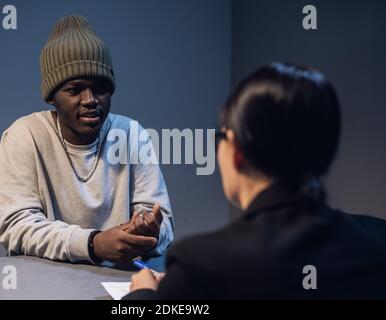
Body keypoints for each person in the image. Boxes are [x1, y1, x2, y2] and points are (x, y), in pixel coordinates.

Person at [125, 62, 386, 299]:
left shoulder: (201, 263)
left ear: (237, 152)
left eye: (222, 137)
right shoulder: (375, 243)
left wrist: (144, 294)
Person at [0, 15, 173, 265]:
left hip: (118, 281)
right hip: (42, 281)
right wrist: (93, 244)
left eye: (100, 88)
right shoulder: (24, 135)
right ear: (51, 97)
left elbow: (161, 220)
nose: (90, 99)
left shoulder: (133, 134)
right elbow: (17, 226)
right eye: (75, 89)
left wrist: (150, 232)